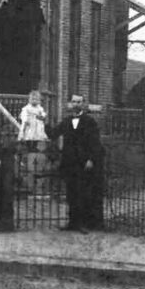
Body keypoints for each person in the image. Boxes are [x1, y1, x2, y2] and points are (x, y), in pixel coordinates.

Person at [47, 94, 105, 233]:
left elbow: (95, 143)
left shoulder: (90, 121)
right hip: (69, 162)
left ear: (83, 104)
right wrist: (44, 122)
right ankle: (72, 222)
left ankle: (84, 223)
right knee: (71, 193)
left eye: (79, 102)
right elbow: (53, 134)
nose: (76, 104)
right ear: (70, 104)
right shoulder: (66, 121)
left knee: (84, 193)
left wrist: (91, 159)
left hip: (83, 163)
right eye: (73, 102)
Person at [17, 89, 49, 194]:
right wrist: (22, 133)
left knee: (38, 151)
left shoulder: (40, 108)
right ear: (29, 99)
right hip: (30, 129)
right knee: (29, 148)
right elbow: (24, 121)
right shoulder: (26, 109)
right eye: (33, 98)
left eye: (37, 98)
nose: (35, 100)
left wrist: (43, 117)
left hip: (38, 130)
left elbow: (43, 116)